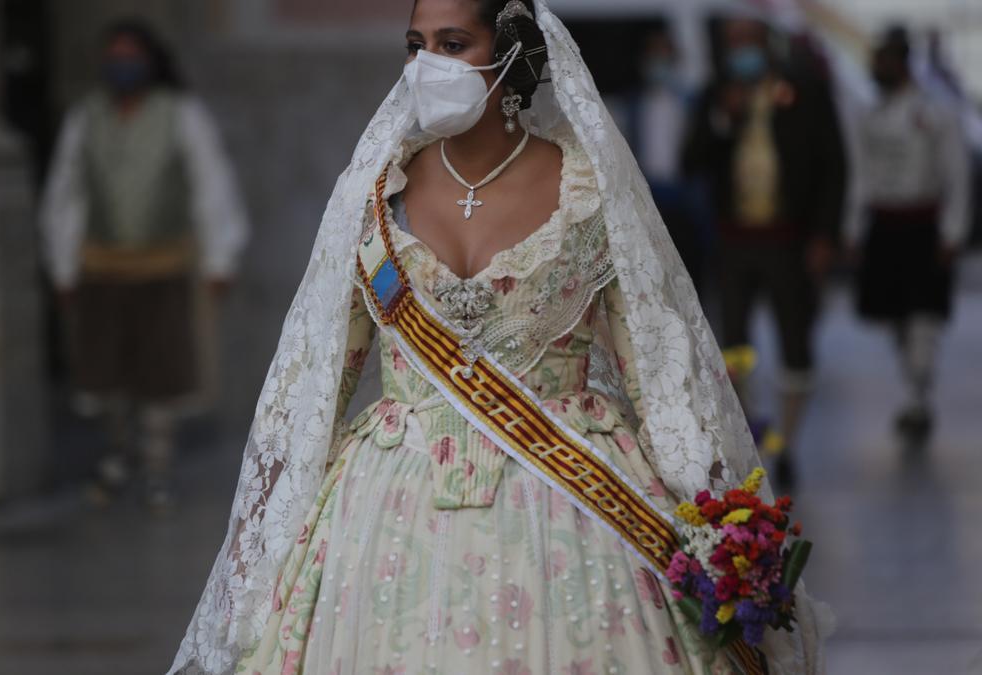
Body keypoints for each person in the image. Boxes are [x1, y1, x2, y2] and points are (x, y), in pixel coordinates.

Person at [169, 2, 830, 673]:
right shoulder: (372, 195)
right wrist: (256, 552)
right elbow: (311, 384)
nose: (428, 64)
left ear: (512, 51)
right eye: (416, 44)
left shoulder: (589, 192)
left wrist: (721, 526)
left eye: (453, 44)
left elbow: (662, 376)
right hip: (387, 512)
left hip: (572, 507)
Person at [39, 19, 249, 509]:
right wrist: (62, 265)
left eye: (131, 55)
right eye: (115, 55)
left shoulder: (179, 115)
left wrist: (220, 256)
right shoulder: (85, 119)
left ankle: (157, 463)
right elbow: (65, 196)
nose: (122, 65)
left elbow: (210, 182)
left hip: (163, 266)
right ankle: (116, 453)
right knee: (105, 370)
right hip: (102, 266)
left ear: (151, 62)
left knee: (161, 370)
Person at [683, 17, 846, 488]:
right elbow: (688, 159)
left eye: (748, 43)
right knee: (733, 346)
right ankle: (753, 434)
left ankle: (788, 443)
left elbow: (834, 166)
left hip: (789, 239)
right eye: (734, 44)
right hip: (735, 240)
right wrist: (722, 120)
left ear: (766, 45)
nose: (741, 52)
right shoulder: (718, 92)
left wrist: (825, 236)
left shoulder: (804, 90)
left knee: (796, 341)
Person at [847, 28, 971, 440]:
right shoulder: (870, 114)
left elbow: (957, 174)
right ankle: (914, 382)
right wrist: (853, 228)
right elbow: (861, 176)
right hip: (885, 225)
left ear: (900, 62)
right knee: (896, 315)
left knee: (923, 314)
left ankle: (918, 394)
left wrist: (953, 231)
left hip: (923, 225)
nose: (875, 68)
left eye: (882, 60)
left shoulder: (936, 112)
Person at [628, 30, 708, 295]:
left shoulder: (688, 101)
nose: (658, 62)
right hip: (650, 196)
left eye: (664, 54)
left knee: (689, 274)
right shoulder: (637, 103)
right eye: (653, 55)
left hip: (684, 197)